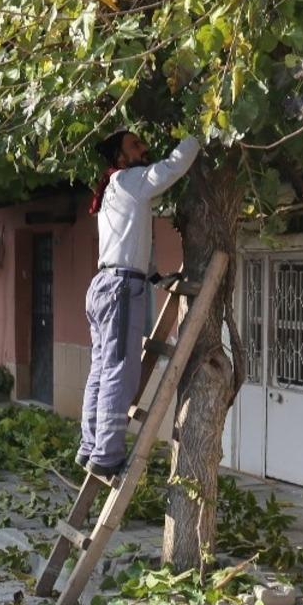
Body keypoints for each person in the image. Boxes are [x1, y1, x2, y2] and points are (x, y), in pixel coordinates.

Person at [78, 129, 200, 477]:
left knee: (101, 370)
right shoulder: (130, 179)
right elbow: (173, 168)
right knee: (120, 371)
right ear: (120, 157)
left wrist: (156, 279)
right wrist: (199, 136)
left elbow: (132, 242)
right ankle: (106, 453)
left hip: (105, 285)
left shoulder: (114, 191)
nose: (144, 148)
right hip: (118, 288)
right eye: (135, 145)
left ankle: (91, 446)